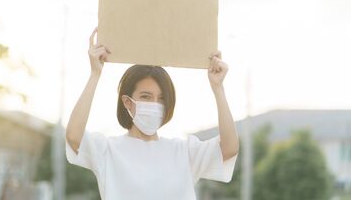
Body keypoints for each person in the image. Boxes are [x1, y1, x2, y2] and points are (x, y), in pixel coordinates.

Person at [65, 27, 239, 200]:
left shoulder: (183, 152)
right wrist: (95, 73)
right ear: (127, 102)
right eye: (146, 97)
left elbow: (229, 149)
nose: (155, 104)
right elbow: (74, 136)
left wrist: (218, 87)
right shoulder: (108, 150)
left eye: (161, 98)